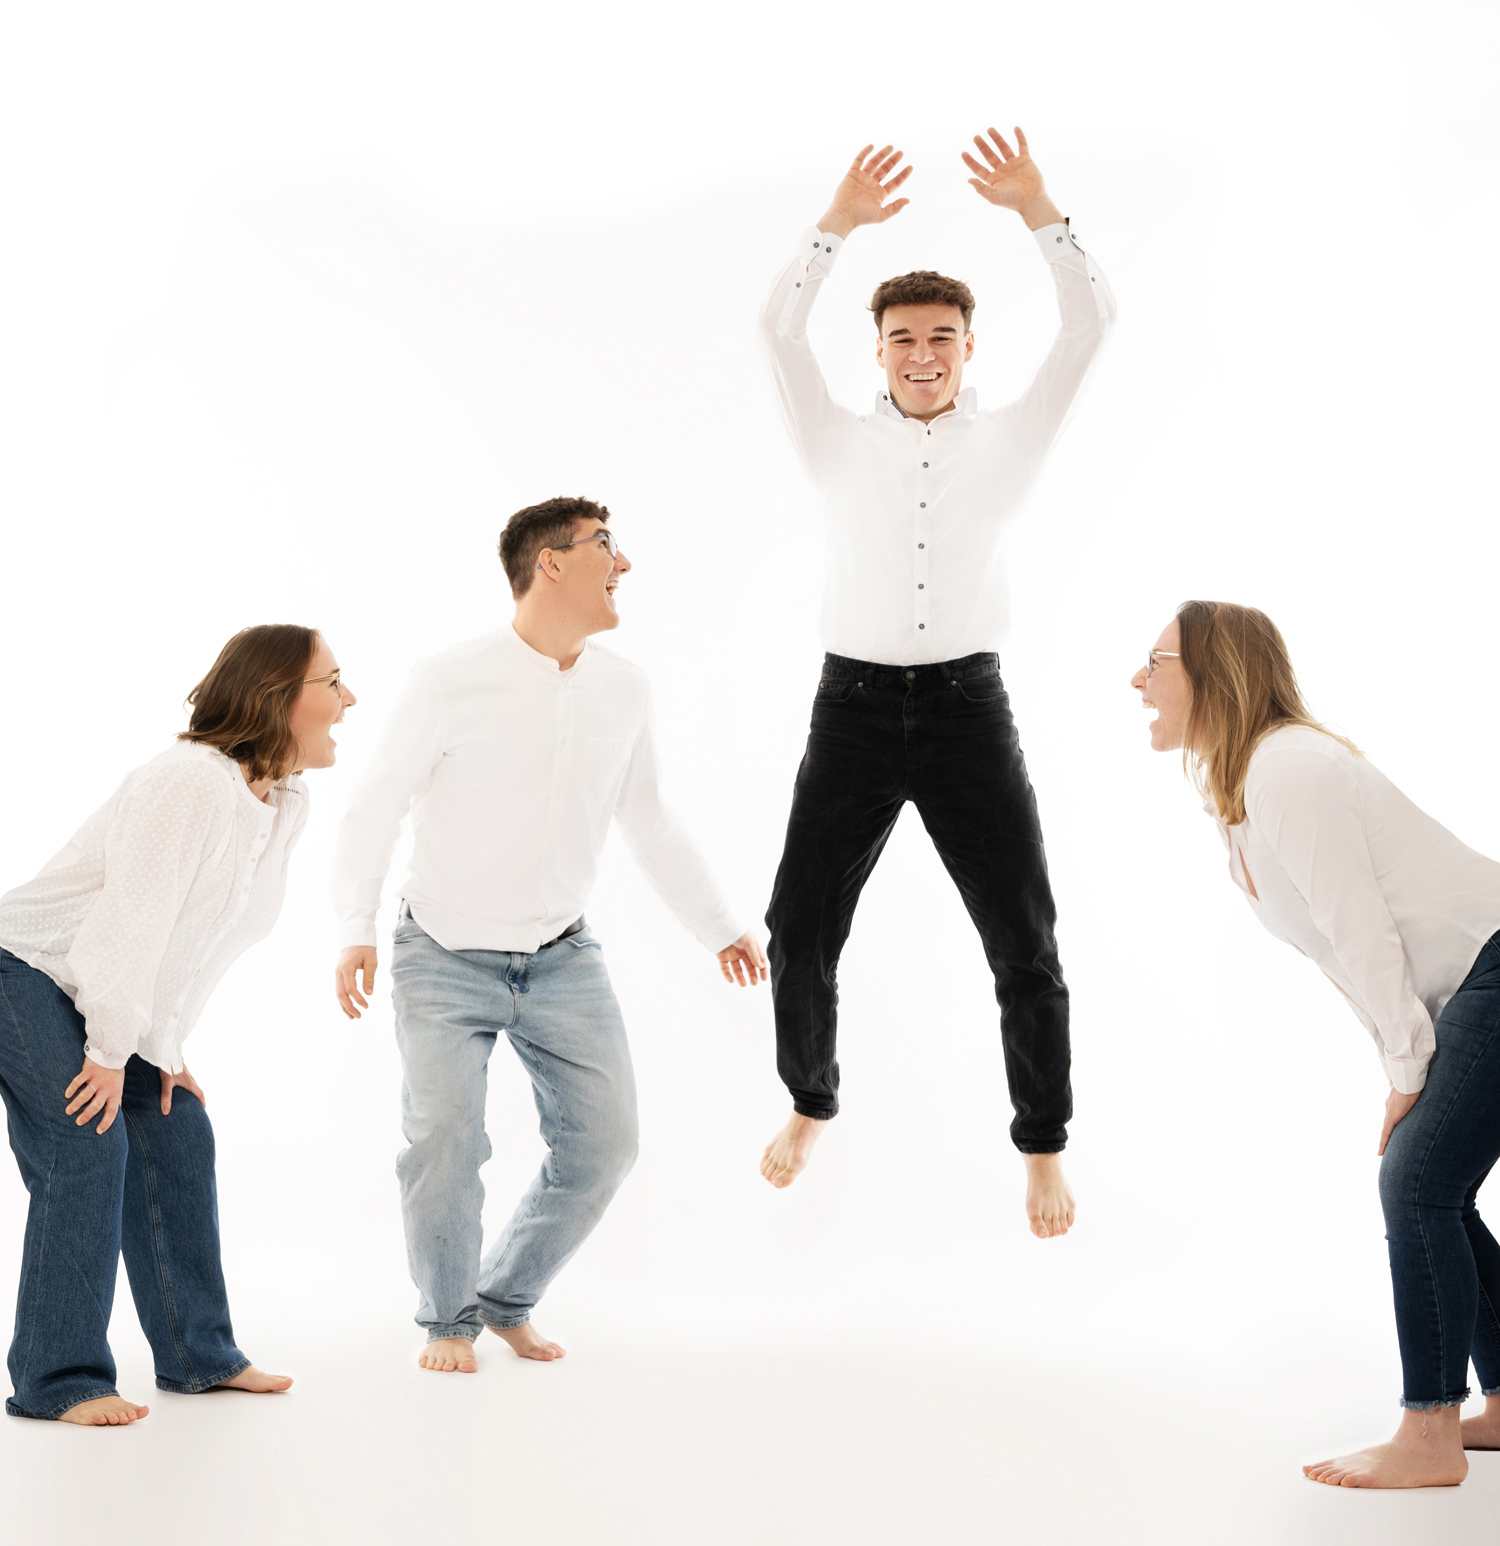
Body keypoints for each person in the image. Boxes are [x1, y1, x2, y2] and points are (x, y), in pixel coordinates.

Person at [755, 129, 1115, 1236]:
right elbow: (776, 330)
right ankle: (810, 1100)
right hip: (852, 710)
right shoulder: (830, 440)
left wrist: (1039, 208)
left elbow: (1091, 325)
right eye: (903, 338)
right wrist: (836, 225)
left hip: (968, 711)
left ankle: (1043, 1145)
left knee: (1024, 938)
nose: (923, 354)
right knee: (799, 927)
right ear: (878, 351)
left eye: (941, 338)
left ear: (968, 348)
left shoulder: (1009, 440)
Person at [333, 496, 766, 1376]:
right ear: (552, 564)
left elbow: (649, 818)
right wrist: (354, 928)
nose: (625, 563)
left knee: (606, 1146)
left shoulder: (625, 688)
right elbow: (375, 805)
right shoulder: (448, 681)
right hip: (442, 955)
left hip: (563, 957)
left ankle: (504, 1298)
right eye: (607, 545)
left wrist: (719, 925)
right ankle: (447, 1321)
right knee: (446, 1141)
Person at [1133, 599, 1500, 1489]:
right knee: (1433, 1183)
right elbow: (1345, 953)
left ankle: (1429, 1435)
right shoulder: (1243, 797)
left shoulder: (1287, 768)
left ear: (1216, 673)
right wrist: (1401, 1062)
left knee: (1416, 1181)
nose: (1137, 680)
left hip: (1492, 960)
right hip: (1469, 986)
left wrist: (1408, 1066)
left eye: (1156, 662)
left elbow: (1360, 931)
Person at [0, 624, 354, 1425]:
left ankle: (200, 1357)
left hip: (100, 988)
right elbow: (128, 927)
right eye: (334, 682)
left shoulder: (283, 803)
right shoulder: (189, 782)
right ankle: (57, 1380)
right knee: (87, 1142)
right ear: (277, 697)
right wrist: (109, 1051)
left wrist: (160, 1047)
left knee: (178, 1129)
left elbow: (197, 941)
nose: (350, 699)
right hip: (25, 970)